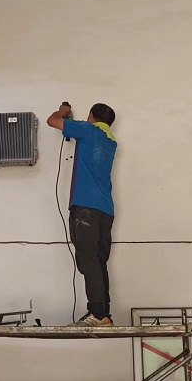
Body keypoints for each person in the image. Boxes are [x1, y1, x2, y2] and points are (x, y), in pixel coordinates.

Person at [47, 103, 117, 326]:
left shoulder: (87, 130)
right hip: (105, 209)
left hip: (85, 206)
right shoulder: (111, 141)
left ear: (92, 116)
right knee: (99, 261)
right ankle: (103, 315)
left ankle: (96, 313)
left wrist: (62, 111)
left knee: (88, 259)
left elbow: (52, 121)